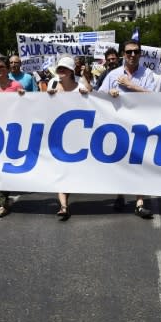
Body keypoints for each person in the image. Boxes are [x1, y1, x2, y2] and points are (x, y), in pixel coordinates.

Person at [98, 39, 156, 219]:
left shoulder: (148, 75)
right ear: (123, 54)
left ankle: (139, 202)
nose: (132, 55)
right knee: (120, 162)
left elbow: (155, 97)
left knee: (139, 163)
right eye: (129, 52)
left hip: (140, 125)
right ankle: (120, 195)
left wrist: (130, 86)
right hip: (118, 126)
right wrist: (109, 93)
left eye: (136, 52)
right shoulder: (112, 75)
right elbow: (98, 95)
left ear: (140, 54)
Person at [47, 56, 89, 220]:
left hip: (77, 134)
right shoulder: (52, 83)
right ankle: (63, 206)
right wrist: (48, 96)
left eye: (64, 69)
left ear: (71, 71)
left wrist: (87, 96)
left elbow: (92, 105)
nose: (60, 71)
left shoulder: (80, 86)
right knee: (61, 169)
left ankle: (66, 199)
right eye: (59, 69)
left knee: (71, 170)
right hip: (57, 133)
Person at [0, 56, 25, 217]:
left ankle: (4, 198)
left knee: (6, 165)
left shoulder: (16, 86)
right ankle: (3, 202)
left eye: (1, 67)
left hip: (11, 130)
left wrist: (24, 96)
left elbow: (26, 106)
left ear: (7, 69)